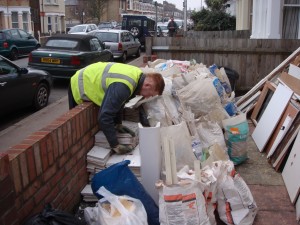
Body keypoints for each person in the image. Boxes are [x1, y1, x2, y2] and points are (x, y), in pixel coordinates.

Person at [68, 62, 165, 154]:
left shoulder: (137, 76)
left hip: (89, 77)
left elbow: (120, 102)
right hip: (80, 83)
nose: (148, 97)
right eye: (151, 94)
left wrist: (118, 124)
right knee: (74, 131)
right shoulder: (123, 86)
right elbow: (104, 117)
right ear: (147, 85)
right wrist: (115, 145)